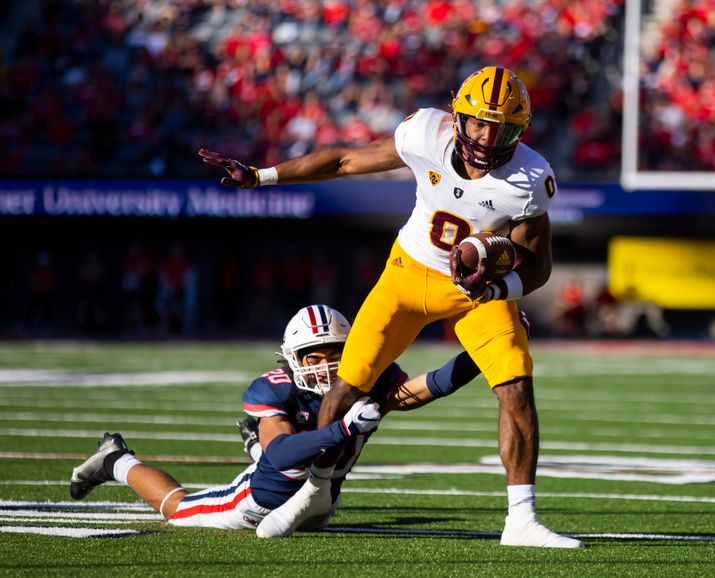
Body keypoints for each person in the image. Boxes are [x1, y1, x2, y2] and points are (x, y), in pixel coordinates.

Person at [199, 66, 582, 548]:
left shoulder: (528, 179)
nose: (487, 137)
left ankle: (521, 519)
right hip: (407, 274)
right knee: (345, 386)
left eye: (502, 127)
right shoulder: (426, 132)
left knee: (516, 388)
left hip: (473, 291)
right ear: (457, 116)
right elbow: (342, 162)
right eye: (479, 122)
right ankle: (315, 492)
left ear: (519, 130)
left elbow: (538, 266)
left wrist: (498, 290)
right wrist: (261, 176)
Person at [68, 304, 480, 532]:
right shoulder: (275, 387)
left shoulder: (372, 378)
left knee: (290, 457)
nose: (326, 366)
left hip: (319, 502)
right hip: (257, 505)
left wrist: (480, 353)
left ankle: (252, 444)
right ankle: (115, 460)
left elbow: (430, 386)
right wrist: (344, 427)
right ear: (292, 359)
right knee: (177, 508)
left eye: (335, 353)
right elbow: (282, 454)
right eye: (313, 357)